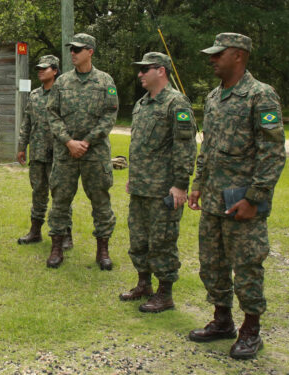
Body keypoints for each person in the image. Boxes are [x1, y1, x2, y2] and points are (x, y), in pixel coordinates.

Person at [187, 33, 286, 360]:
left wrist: (255, 197)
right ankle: (222, 320)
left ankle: (251, 330)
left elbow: (272, 152)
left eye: (219, 54)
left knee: (246, 265)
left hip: (241, 199)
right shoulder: (215, 97)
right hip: (214, 198)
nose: (212, 59)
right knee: (211, 264)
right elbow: (209, 146)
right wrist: (198, 182)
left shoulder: (261, 95)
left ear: (239, 56)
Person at [120, 52, 197, 313]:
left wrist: (180, 184)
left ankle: (165, 294)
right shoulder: (142, 104)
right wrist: (132, 177)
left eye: (145, 69)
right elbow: (138, 146)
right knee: (138, 239)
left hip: (164, 189)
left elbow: (185, 147)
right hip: (141, 186)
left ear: (161, 71)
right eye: (139, 70)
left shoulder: (177, 103)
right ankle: (144, 285)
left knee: (162, 242)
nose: (140, 74)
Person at [45, 33, 119, 269]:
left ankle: (103, 250)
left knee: (100, 201)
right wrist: (69, 142)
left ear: (90, 52)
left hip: (94, 153)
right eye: (71, 49)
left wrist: (86, 141)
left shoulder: (105, 81)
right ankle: (57, 247)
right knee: (59, 200)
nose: (73, 53)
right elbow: (52, 114)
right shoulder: (62, 82)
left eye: (78, 49)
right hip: (66, 153)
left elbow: (110, 115)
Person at [16, 55, 71, 248]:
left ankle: (65, 234)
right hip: (38, 152)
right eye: (38, 68)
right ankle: (35, 231)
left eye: (44, 68)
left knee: (60, 194)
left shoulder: (64, 93)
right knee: (38, 192)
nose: (40, 71)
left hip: (59, 153)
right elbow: (27, 122)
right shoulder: (34, 95)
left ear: (55, 71)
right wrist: (22, 146)